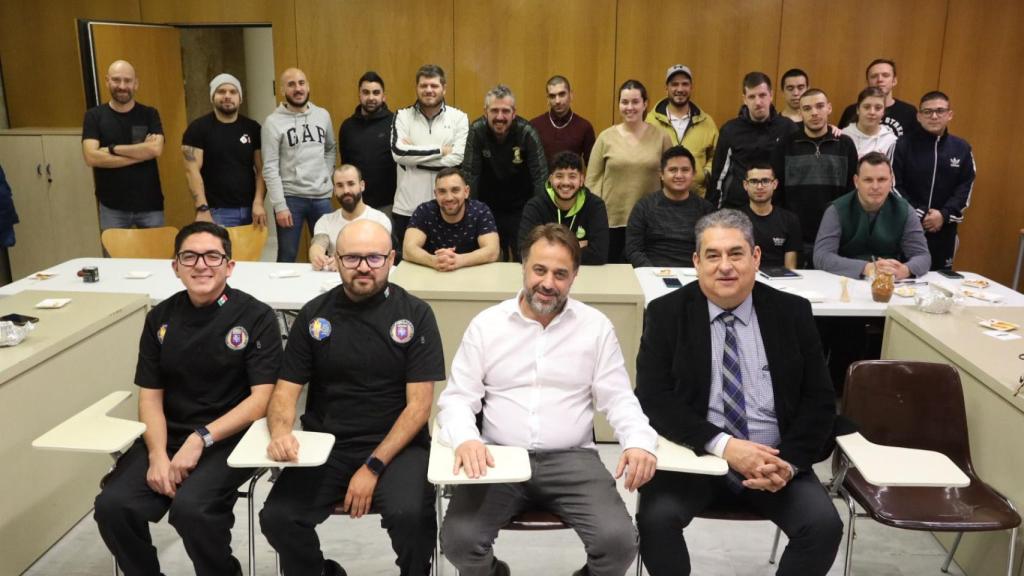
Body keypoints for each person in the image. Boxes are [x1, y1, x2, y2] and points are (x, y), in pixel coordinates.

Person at [437, 223, 658, 576]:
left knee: (618, 543)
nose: (548, 282)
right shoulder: (487, 325)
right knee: (459, 542)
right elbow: (458, 399)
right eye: (539, 270)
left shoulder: (595, 326)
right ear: (523, 267)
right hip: (499, 458)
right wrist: (466, 439)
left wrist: (638, 442)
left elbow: (618, 399)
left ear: (574, 277)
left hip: (572, 459)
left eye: (560, 274)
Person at [635, 209, 841, 576]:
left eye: (736, 253)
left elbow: (820, 400)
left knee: (823, 526)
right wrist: (725, 446)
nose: (725, 266)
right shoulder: (666, 313)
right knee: (655, 520)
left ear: (756, 257)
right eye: (713, 255)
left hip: (774, 460)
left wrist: (788, 464)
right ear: (696, 262)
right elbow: (654, 397)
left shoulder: (792, 312)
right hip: (696, 459)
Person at [94, 222, 282, 576]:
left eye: (212, 256)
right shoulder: (160, 318)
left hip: (230, 438)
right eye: (189, 257)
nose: (201, 265)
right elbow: (150, 397)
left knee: (192, 510)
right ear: (175, 266)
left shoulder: (256, 317)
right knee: (112, 506)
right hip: (168, 434)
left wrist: (201, 439)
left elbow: (261, 401)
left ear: (229, 266)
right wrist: (157, 455)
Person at [260, 220, 444, 576]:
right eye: (352, 258)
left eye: (374, 258)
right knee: (278, 517)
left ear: (391, 259)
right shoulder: (314, 315)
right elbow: (285, 390)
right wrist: (281, 432)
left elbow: (419, 407)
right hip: (328, 443)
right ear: (336, 260)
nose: (363, 267)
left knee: (411, 516)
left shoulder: (416, 314)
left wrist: (372, 467)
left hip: (398, 446)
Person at [587, 79, 673, 263]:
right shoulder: (605, 137)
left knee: (644, 272)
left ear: (645, 104)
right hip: (611, 221)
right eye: (624, 102)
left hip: (649, 221)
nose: (629, 107)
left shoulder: (661, 138)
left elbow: (670, 179)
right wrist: (594, 217)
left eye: (635, 102)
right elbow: (592, 180)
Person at [772, 88, 859, 266]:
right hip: (795, 236)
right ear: (800, 113)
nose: (814, 113)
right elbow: (777, 192)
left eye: (820, 106)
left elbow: (853, 192)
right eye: (807, 108)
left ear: (829, 108)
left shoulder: (845, 144)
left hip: (836, 235)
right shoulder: (786, 145)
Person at [462, 84, 548, 261]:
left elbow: (540, 178)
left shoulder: (527, 132)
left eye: (505, 111)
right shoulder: (477, 131)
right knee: (489, 258)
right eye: (494, 111)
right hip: (487, 208)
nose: (500, 117)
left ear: (514, 113)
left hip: (522, 208)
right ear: (485, 112)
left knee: (524, 258)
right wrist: (472, 214)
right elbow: (470, 175)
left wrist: (536, 214)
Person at [892, 91, 975, 270]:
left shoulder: (962, 148)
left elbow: (965, 188)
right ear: (919, 116)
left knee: (940, 282)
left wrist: (943, 215)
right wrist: (919, 213)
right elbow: (893, 185)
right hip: (906, 228)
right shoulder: (901, 145)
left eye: (940, 111)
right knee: (902, 278)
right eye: (927, 112)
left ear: (949, 115)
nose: (934, 116)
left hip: (944, 231)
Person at [815, 152, 931, 279]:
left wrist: (905, 270)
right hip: (845, 281)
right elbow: (821, 256)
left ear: (891, 180)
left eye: (882, 180)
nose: (875, 187)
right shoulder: (836, 210)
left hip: (890, 282)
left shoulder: (905, 211)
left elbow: (923, 256)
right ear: (856, 181)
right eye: (868, 180)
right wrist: (866, 268)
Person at [391, 64, 469, 252]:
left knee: (446, 262)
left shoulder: (459, 118)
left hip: (446, 209)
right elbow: (399, 153)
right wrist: (441, 150)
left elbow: (458, 159)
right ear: (417, 88)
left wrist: (414, 155)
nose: (428, 90)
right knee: (409, 263)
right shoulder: (402, 116)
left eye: (434, 85)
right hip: (407, 208)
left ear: (444, 88)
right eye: (423, 85)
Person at [262, 68, 336, 262]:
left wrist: (326, 174)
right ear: (282, 90)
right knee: (287, 255)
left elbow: (330, 148)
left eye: (301, 83)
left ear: (308, 86)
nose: (298, 88)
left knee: (329, 254)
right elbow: (269, 167)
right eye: (291, 84)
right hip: (290, 199)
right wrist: (279, 205)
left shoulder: (322, 115)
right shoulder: (272, 122)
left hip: (321, 197)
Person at [82, 60, 165, 230]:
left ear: (136, 84)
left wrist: (112, 149)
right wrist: (141, 155)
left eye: (127, 80)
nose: (122, 86)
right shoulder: (94, 116)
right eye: (116, 80)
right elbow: (91, 157)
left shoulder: (149, 114)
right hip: (112, 207)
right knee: (113, 249)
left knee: (157, 248)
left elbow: (155, 149)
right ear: (107, 81)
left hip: (150, 204)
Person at [182, 73, 267, 228]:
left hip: (251, 210)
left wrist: (259, 202)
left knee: (253, 246)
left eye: (233, 92)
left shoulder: (253, 128)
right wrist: (202, 208)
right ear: (212, 97)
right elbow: (191, 171)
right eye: (221, 91)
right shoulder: (197, 129)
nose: (227, 96)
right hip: (216, 212)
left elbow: (262, 169)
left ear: (240, 98)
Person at [707, 72, 798, 210]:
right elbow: (718, 177)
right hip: (736, 209)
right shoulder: (730, 130)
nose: (758, 102)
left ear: (771, 95)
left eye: (762, 95)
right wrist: (713, 212)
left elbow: (796, 175)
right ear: (744, 99)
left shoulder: (788, 128)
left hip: (775, 210)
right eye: (752, 97)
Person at [625, 146, 714, 267]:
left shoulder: (706, 210)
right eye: (673, 170)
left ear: (693, 174)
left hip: (694, 273)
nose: (679, 175)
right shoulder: (644, 207)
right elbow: (633, 249)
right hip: (652, 273)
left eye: (685, 170)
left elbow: (712, 249)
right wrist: (652, 273)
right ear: (661, 174)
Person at [518, 150, 609, 265]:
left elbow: (599, 254)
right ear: (550, 180)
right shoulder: (535, 206)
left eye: (572, 176)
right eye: (559, 176)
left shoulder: (595, 206)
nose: (566, 182)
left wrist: (546, 247)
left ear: (581, 180)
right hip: (547, 272)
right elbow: (524, 251)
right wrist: (576, 246)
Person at [403, 167, 499, 271]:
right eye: (442, 191)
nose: (449, 197)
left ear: (466, 192)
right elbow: (408, 250)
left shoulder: (480, 211)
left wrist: (459, 260)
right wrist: (434, 261)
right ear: (435, 194)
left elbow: (493, 251)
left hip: (473, 275)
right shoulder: (424, 211)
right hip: (433, 274)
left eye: (455, 190)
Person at [645, 64, 718, 198]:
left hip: (697, 199)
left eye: (685, 84)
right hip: (659, 200)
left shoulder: (707, 122)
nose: (680, 89)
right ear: (666, 88)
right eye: (674, 84)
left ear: (691, 87)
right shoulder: (650, 121)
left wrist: (705, 174)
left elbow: (717, 155)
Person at [309, 165, 393, 270]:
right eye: (340, 185)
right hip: (332, 276)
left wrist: (345, 261)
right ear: (334, 190)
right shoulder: (325, 221)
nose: (346, 190)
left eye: (351, 184)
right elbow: (318, 245)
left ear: (362, 185)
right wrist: (317, 257)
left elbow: (377, 252)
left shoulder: (380, 220)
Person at [338, 71, 397, 212]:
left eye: (376, 93)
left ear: (383, 96)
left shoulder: (396, 123)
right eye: (366, 92)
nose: (371, 98)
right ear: (359, 95)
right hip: (356, 203)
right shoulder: (347, 126)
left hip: (388, 204)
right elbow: (345, 167)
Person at [741, 162, 801, 269]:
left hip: (779, 278)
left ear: (775, 184)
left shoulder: (790, 220)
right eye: (754, 181)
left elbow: (790, 268)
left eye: (765, 181)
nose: (759, 187)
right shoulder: (734, 220)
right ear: (745, 185)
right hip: (744, 276)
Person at [838, 59, 920, 137]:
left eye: (885, 75)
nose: (880, 79)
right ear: (867, 82)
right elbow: (840, 140)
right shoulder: (852, 110)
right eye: (874, 76)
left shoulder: (909, 112)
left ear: (894, 81)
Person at [529, 75, 596, 168]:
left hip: (572, 177)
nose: (557, 101)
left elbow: (593, 167)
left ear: (571, 95)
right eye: (552, 96)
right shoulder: (535, 125)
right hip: (542, 177)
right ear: (548, 99)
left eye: (562, 94)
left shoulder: (584, 127)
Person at [842, 87, 898, 160]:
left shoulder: (890, 140)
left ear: (883, 112)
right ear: (858, 110)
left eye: (878, 108)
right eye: (866, 107)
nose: (872, 112)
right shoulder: (844, 136)